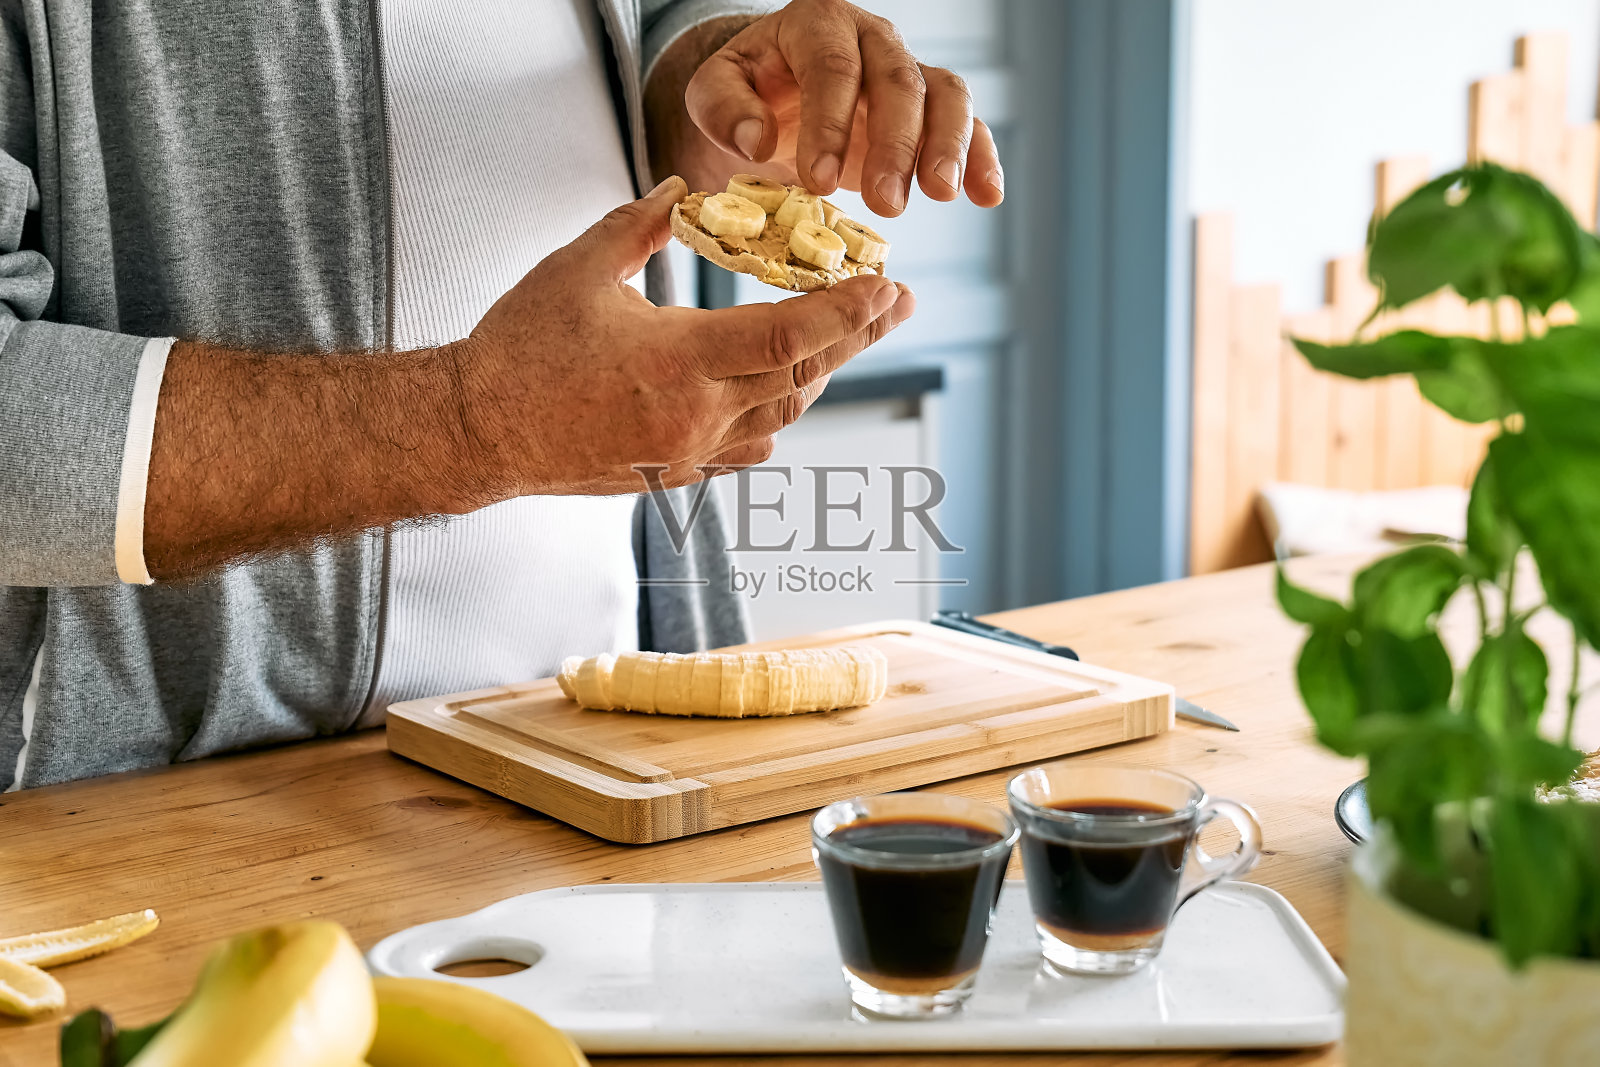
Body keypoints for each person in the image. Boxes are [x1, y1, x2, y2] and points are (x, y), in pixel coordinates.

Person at [0, 0, 1003, 790]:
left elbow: (638, 26)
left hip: (603, 753)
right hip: (161, 816)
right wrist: (470, 424)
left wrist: (710, 78)